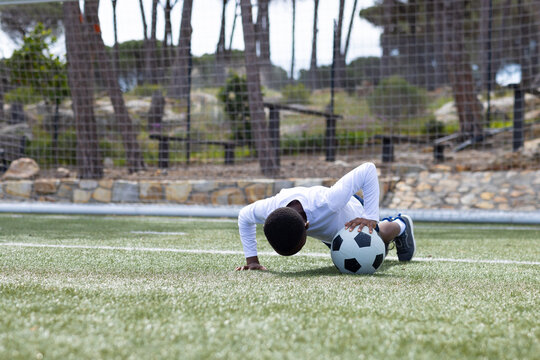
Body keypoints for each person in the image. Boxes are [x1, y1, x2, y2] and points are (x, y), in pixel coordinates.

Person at [236, 162, 415, 271]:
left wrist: (370, 217)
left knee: (380, 239)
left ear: (307, 225)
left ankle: (400, 224)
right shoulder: (270, 209)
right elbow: (244, 216)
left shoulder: (328, 202)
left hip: (352, 212)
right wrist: (252, 260)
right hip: (331, 230)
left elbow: (368, 169)